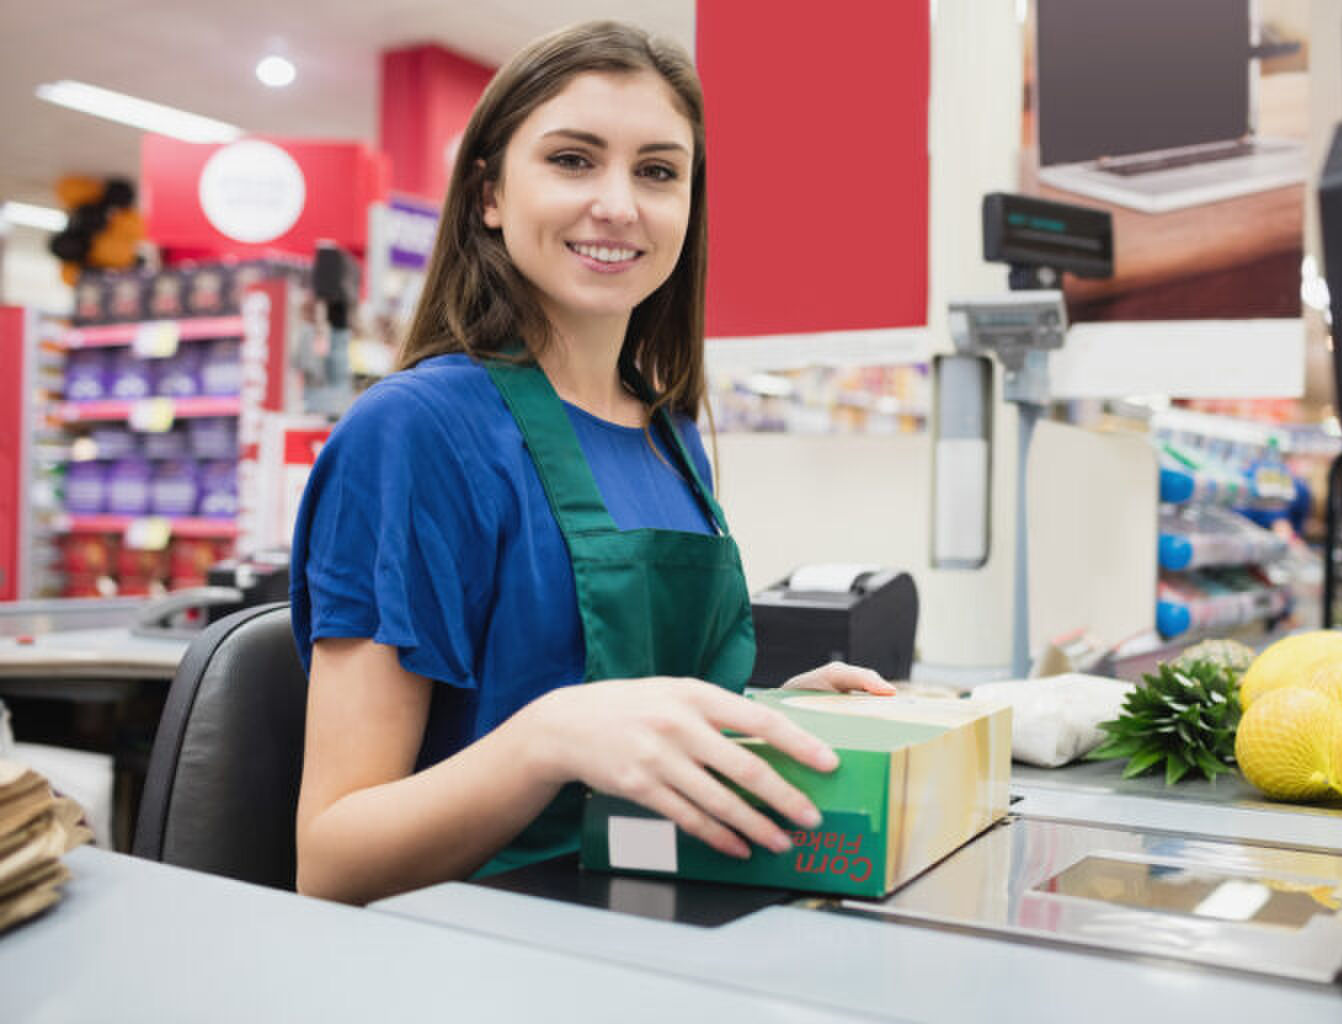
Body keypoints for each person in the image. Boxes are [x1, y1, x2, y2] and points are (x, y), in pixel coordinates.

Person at [289, 21, 895, 905]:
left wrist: (765, 717)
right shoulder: (415, 433)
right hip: (480, 953)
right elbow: (331, 863)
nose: (619, 203)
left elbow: (638, 712)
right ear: (489, 195)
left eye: (657, 171)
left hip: (661, 915)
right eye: (574, 160)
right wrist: (547, 740)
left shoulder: (671, 431)